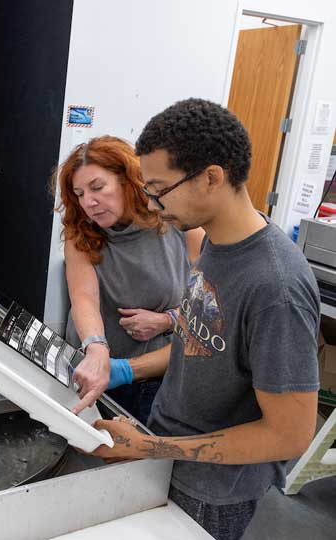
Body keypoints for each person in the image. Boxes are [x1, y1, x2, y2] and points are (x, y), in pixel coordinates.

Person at [84, 99, 320, 540]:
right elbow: (199, 344)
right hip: (169, 455)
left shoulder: (276, 287)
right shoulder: (214, 243)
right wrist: (125, 374)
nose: (151, 204)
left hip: (213, 492)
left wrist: (151, 447)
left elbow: (289, 434)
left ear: (211, 177)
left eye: (159, 189)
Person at [55, 136, 203, 424]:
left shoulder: (177, 222)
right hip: (93, 371)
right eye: (79, 193)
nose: (89, 202)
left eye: (97, 188)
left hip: (154, 376)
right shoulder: (81, 233)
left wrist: (168, 320)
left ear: (128, 180)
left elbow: (208, 302)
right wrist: (96, 349)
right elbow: (84, 297)